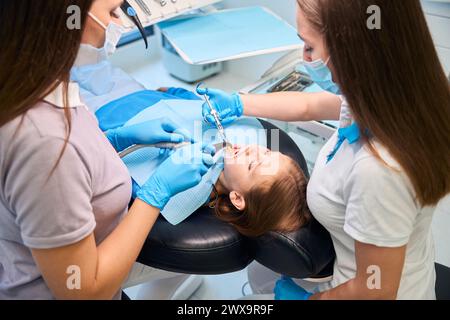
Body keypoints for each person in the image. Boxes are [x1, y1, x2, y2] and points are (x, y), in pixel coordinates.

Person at [201, 0, 450, 299]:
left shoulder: (379, 172)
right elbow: (310, 104)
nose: (305, 59)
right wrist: (240, 102)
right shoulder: (392, 99)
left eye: (309, 47)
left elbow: (375, 291)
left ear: (350, 53)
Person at [0, 0, 215, 299]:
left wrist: (114, 139)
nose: (120, 24)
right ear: (67, 18)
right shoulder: (45, 145)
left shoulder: (43, 84)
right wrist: (156, 193)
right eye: (113, 12)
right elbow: (83, 291)